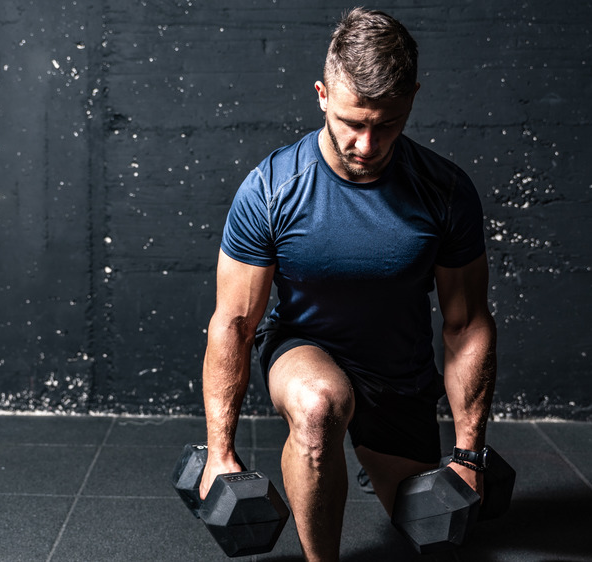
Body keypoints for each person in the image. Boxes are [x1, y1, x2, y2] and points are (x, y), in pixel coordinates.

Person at [199, 7, 497, 561]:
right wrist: (220, 453)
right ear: (321, 96)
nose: (366, 143)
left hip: (400, 376)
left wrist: (468, 454)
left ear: (411, 101)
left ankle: (379, 461)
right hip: (304, 351)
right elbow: (235, 323)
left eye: (386, 125)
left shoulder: (445, 191)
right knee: (318, 407)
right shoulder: (270, 190)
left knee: (438, 539)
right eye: (351, 122)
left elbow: (466, 323)